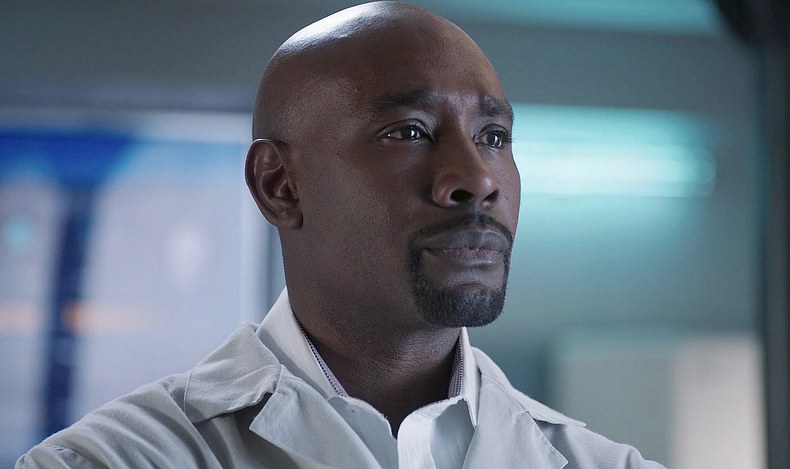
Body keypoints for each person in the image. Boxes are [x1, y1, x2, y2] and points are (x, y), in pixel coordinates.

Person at [18, 2, 665, 468]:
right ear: (280, 185)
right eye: (409, 132)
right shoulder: (113, 458)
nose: (475, 179)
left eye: (492, 137)